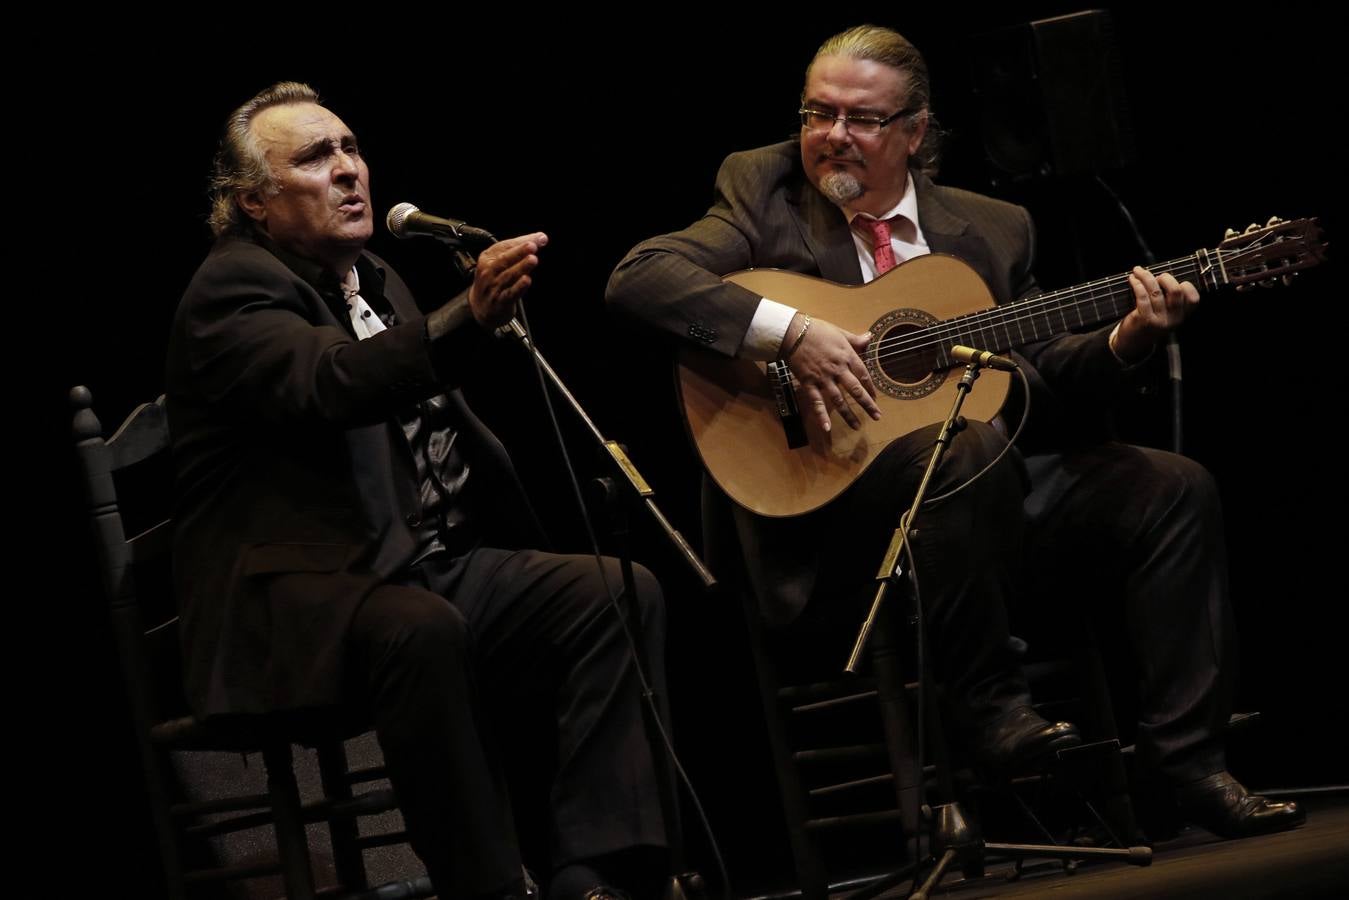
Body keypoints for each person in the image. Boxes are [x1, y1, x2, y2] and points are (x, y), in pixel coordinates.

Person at [605, 25, 1302, 839]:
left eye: (860, 119)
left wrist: (1128, 340)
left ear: (913, 131)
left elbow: (1043, 378)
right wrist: (791, 332)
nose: (832, 135)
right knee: (960, 445)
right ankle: (994, 717)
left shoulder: (992, 227)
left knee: (1170, 487)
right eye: (817, 112)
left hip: (988, 513)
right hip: (838, 528)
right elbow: (639, 278)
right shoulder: (761, 190)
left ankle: (1187, 768)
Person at [167, 82, 667, 899]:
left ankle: (593, 875)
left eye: (351, 148)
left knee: (613, 592)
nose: (348, 170)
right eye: (316, 159)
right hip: (300, 599)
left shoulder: (379, 280)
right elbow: (331, 383)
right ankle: (488, 887)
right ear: (254, 202)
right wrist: (461, 319)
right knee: (421, 630)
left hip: (413, 564)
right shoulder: (229, 293)